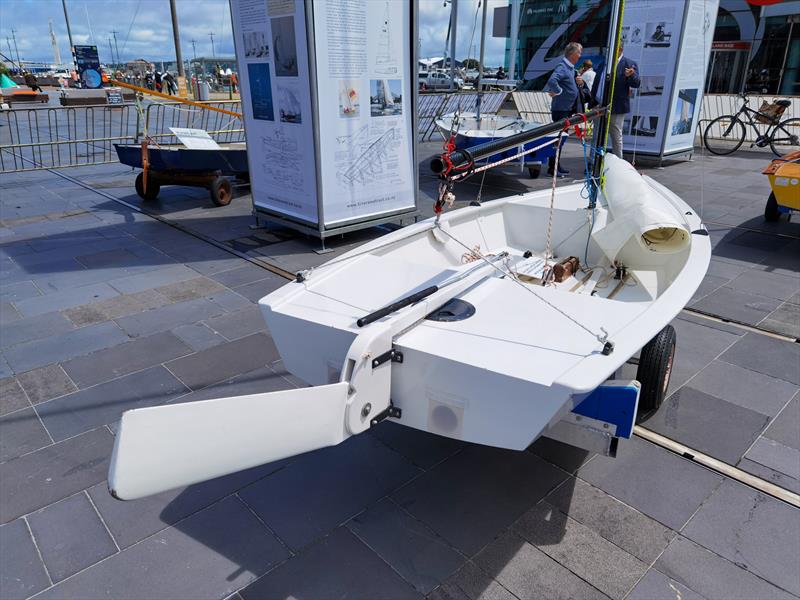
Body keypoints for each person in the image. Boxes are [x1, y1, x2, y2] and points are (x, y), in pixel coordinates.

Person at [591, 42, 640, 158]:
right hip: (599, 105)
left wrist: (631, 75)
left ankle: (619, 164)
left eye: (612, 47)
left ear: (620, 49)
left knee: (616, 137)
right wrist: (593, 102)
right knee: (597, 136)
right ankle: (593, 162)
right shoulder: (604, 63)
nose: (609, 50)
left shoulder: (629, 64)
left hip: (617, 107)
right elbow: (597, 83)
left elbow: (637, 83)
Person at [543, 42, 585, 177]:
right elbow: (552, 81)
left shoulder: (571, 69)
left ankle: (554, 165)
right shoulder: (563, 67)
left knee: (561, 138)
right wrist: (559, 91)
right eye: (579, 53)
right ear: (573, 54)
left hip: (566, 109)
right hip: (561, 109)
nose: (580, 56)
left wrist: (579, 82)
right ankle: (553, 167)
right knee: (559, 139)